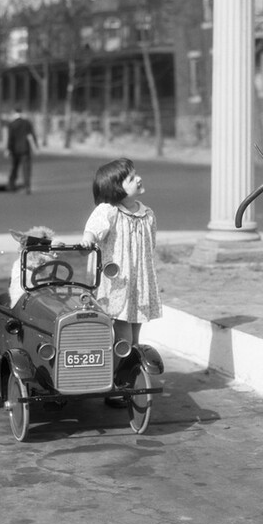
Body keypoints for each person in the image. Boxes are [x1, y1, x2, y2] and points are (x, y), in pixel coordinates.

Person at [80, 158, 162, 381]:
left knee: (135, 331)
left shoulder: (147, 214)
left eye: (136, 174)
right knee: (123, 331)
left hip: (138, 279)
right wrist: (88, 240)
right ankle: (118, 377)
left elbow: (150, 244)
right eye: (131, 178)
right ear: (116, 188)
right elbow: (93, 230)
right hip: (118, 280)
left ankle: (130, 372)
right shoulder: (109, 211)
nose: (138, 178)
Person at [5, 106, 39, 193]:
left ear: (14, 113)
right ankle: (27, 186)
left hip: (15, 149)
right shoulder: (27, 123)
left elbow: (10, 138)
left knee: (14, 167)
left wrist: (8, 149)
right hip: (25, 148)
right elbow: (32, 135)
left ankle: (11, 185)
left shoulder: (12, 124)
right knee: (26, 168)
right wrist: (35, 147)